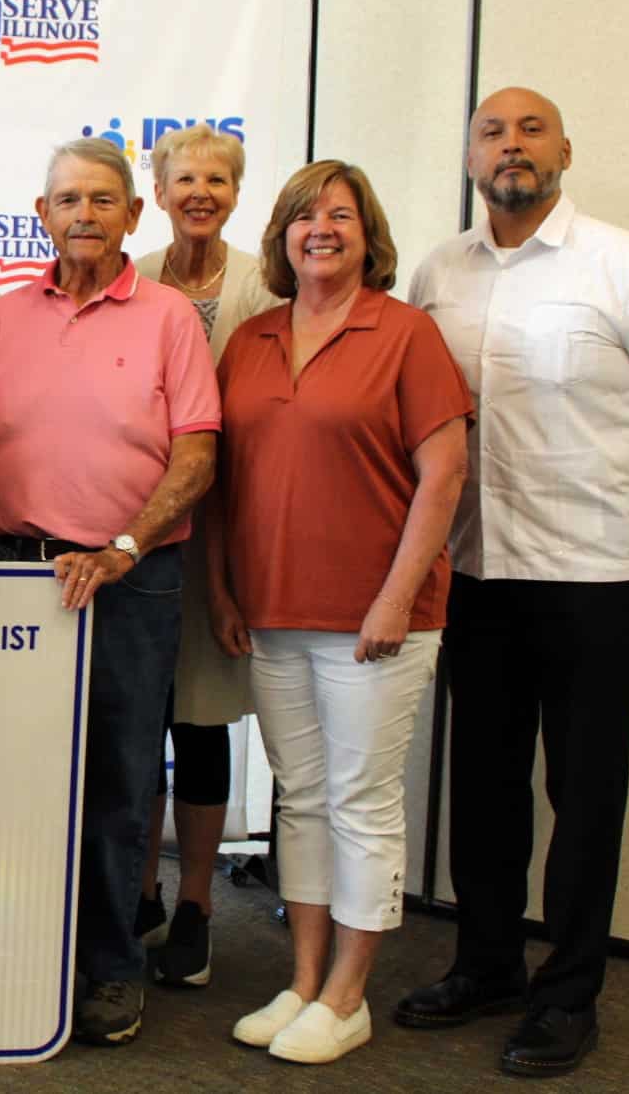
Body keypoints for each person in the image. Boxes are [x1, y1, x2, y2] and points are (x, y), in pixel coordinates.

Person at [397, 88, 629, 1077]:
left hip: (592, 575)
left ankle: (570, 990)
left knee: (584, 793)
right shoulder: (437, 273)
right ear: (469, 156)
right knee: (485, 786)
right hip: (478, 569)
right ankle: (487, 963)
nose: (512, 146)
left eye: (531, 129)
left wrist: (628, 518)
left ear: (565, 150)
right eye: (493, 131)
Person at [0, 137, 219, 1046]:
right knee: (2, 779)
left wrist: (128, 546)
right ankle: (6, 953)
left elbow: (197, 450)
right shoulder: (5, 317)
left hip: (128, 577)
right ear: (42, 214)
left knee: (115, 779)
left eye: (104, 200)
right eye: (68, 200)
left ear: (134, 216)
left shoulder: (170, 316)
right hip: (11, 572)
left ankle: (108, 968)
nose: (85, 216)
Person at [208, 161, 471, 1064]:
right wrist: (221, 588)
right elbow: (222, 480)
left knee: (361, 803)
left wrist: (398, 596)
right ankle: (305, 981)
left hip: (377, 622)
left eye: (341, 215)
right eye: (304, 215)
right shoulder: (250, 340)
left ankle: (351, 995)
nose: (321, 228)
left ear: (370, 234)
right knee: (303, 801)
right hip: (272, 612)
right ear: (281, 235)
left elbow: (445, 476)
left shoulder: (405, 334)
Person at [131, 123, 280, 986]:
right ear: (158, 190)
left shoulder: (268, 289)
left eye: (217, 180)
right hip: (144, 531)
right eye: (184, 178)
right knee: (138, 719)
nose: (200, 192)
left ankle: (196, 906)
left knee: (204, 720)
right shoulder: (132, 278)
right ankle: (139, 889)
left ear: (235, 193)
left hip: (228, 536)